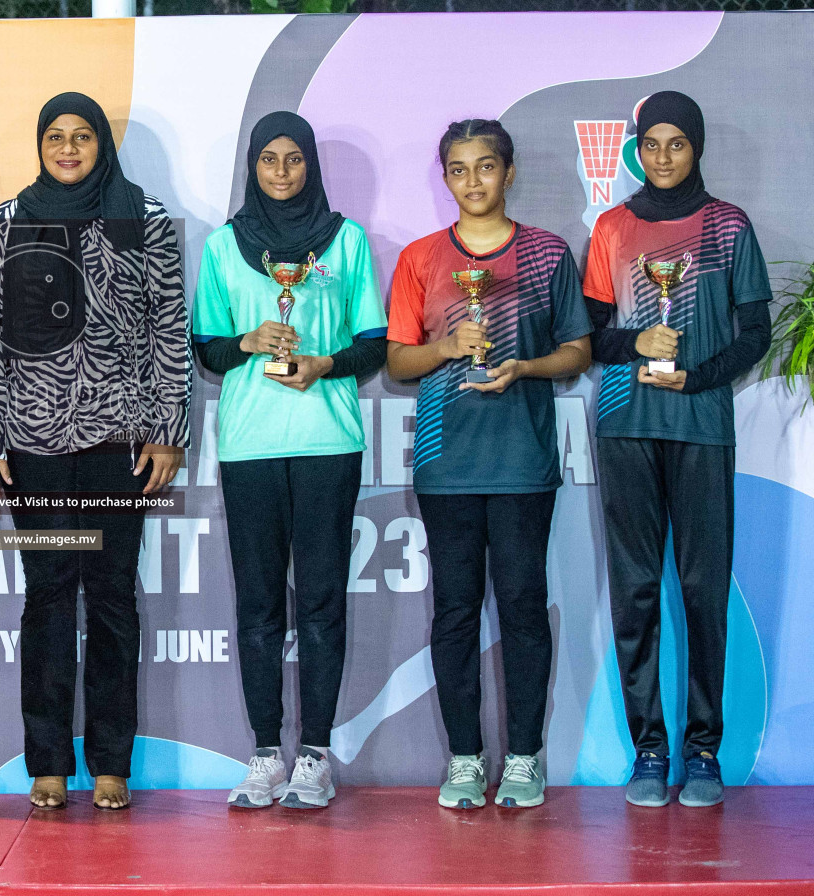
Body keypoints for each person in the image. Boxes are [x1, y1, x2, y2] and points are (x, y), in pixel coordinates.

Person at [0, 93, 191, 811]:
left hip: (118, 444)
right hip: (34, 444)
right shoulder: (10, 220)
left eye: (82, 136)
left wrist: (168, 429)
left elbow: (168, 329)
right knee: (49, 595)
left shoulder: (143, 219)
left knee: (113, 598)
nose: (67, 148)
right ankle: (50, 761)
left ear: (102, 144)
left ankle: (114, 762)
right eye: (55, 137)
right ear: (41, 144)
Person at [385, 119, 592, 810]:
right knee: (454, 613)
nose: (472, 181)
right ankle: (466, 760)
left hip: (524, 465)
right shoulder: (419, 258)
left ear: (509, 171)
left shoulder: (546, 253)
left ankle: (526, 757)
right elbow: (397, 360)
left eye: (485, 167)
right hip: (446, 468)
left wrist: (525, 366)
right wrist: (446, 348)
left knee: (526, 610)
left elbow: (577, 351)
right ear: (445, 178)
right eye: (458, 169)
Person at [191, 112, 388, 811]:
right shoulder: (223, 247)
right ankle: (265, 753)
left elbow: (375, 344)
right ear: (253, 166)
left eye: (293, 159)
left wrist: (323, 363)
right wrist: (247, 341)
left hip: (327, 443)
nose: (281, 171)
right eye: (269, 159)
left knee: (323, 602)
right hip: (250, 446)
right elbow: (206, 347)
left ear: (310, 165)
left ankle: (315, 754)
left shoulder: (348, 242)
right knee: (258, 605)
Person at [582, 91, 770, 809]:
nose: (663, 157)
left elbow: (755, 329)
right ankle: (649, 751)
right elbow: (590, 334)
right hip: (626, 428)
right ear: (636, 149)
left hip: (700, 428)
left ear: (696, 148)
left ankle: (703, 751)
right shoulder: (612, 228)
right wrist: (635, 343)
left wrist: (701, 377)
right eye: (651, 144)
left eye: (676, 144)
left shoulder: (727, 226)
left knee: (701, 592)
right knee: (634, 594)